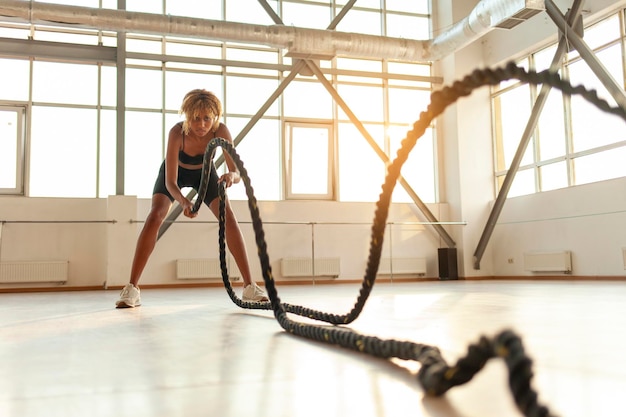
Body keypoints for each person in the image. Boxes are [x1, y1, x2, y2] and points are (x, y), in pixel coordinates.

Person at [116, 89, 268, 308]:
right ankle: (131, 288)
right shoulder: (177, 133)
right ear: (187, 116)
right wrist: (184, 201)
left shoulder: (221, 131)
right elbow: (170, 182)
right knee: (155, 216)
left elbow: (236, 172)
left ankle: (249, 287)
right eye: (196, 118)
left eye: (207, 118)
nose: (202, 124)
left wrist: (230, 177)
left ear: (215, 117)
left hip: (205, 174)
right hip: (174, 174)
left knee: (229, 218)